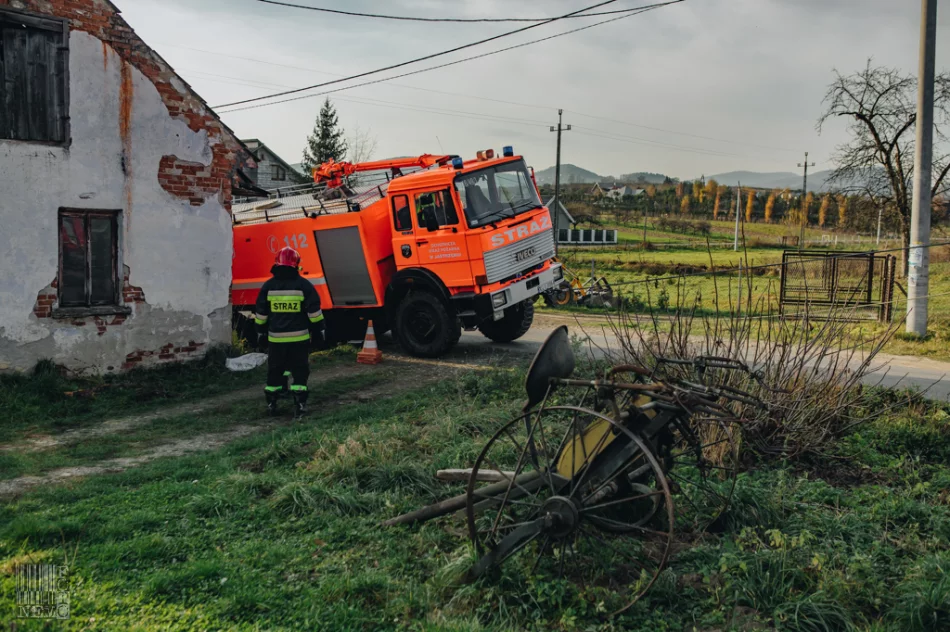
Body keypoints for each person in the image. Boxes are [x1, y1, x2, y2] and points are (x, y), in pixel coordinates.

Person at [254, 247, 325, 417]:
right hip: (299, 339)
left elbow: (261, 314)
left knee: (275, 370)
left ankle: (272, 404)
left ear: (277, 263)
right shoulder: (304, 285)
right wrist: (319, 331)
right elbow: (314, 313)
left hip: (276, 340)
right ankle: (300, 405)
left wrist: (260, 333)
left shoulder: (268, 286)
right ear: (296, 264)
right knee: (300, 370)